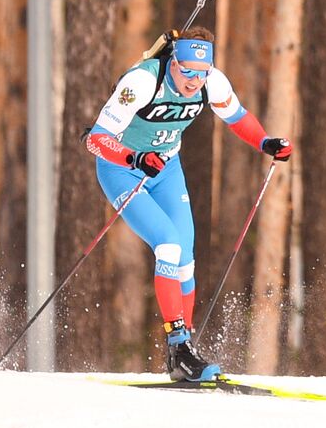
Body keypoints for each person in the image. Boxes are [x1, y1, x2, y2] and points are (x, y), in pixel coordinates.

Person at [85, 27, 293, 381]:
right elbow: (96, 139)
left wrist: (266, 142)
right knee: (167, 244)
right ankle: (179, 345)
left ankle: (183, 353)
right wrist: (134, 159)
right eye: (187, 71)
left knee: (185, 258)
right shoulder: (142, 81)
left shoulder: (212, 82)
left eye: (202, 72)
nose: (195, 81)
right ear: (173, 64)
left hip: (166, 168)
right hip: (122, 170)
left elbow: (237, 117)